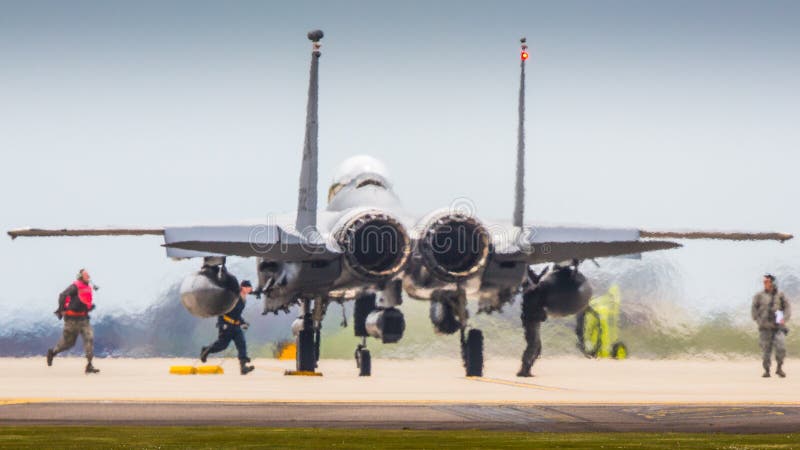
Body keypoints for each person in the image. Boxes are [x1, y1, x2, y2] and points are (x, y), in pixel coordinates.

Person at [47, 269, 100, 374]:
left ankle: (89, 365)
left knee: (89, 339)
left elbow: (83, 303)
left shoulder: (88, 288)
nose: (89, 276)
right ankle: (52, 352)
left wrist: (88, 308)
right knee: (68, 344)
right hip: (71, 320)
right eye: (86, 274)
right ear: (81, 276)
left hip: (84, 319)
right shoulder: (75, 286)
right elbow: (62, 295)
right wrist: (61, 309)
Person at [200, 280, 255, 375]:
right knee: (222, 345)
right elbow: (223, 309)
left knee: (241, 344)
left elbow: (237, 314)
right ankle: (206, 350)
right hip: (226, 325)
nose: (250, 289)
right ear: (243, 287)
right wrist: (222, 323)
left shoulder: (243, 298)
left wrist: (243, 322)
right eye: (248, 287)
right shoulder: (234, 297)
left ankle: (243, 367)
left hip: (235, 326)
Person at [752, 274, 791, 378]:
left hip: (778, 327)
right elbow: (754, 309)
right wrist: (758, 320)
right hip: (765, 327)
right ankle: (767, 370)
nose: (765, 284)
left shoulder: (780, 295)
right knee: (766, 350)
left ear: (773, 283)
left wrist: (784, 319)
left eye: (767, 282)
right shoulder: (759, 296)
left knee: (781, 348)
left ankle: (779, 368)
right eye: (764, 282)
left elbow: (787, 308)